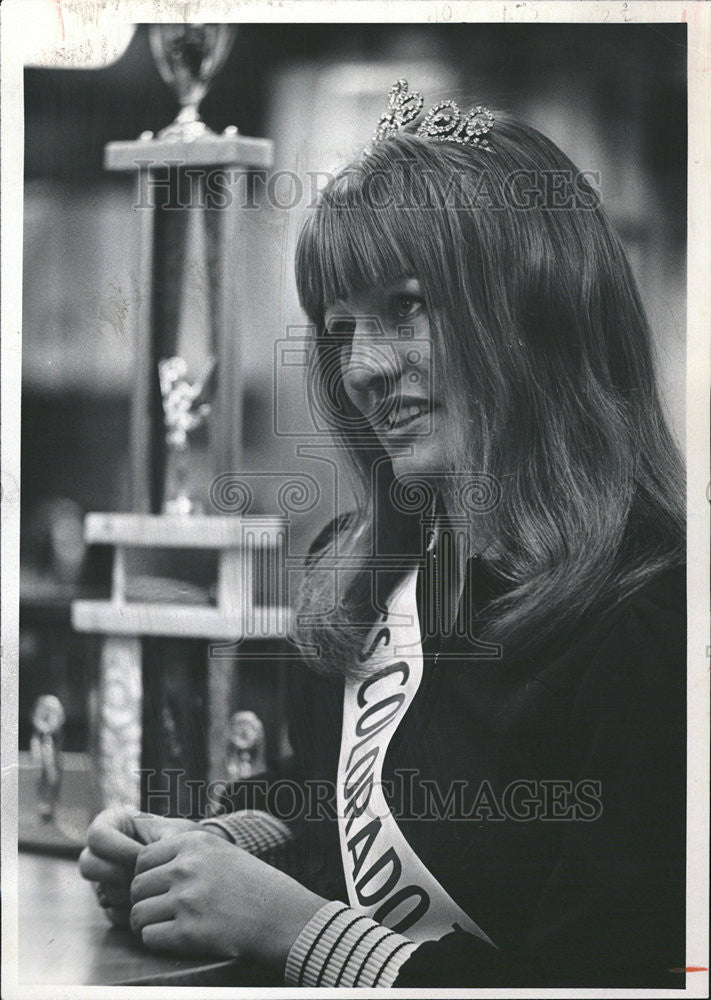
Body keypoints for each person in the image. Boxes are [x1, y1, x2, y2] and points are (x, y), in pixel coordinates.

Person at [79, 80, 686, 988]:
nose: (362, 367)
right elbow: (336, 802)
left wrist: (298, 932)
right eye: (341, 329)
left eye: (407, 308)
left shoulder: (654, 619)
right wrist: (204, 848)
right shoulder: (366, 572)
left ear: (538, 308)